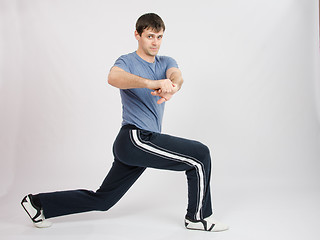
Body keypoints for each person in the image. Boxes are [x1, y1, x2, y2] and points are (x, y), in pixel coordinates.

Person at [21, 13, 229, 232]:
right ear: (137, 35)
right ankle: (197, 218)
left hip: (135, 146)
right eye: (150, 36)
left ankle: (37, 204)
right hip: (135, 138)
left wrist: (172, 87)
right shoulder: (127, 61)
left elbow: (177, 76)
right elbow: (113, 77)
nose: (155, 42)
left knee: (102, 200)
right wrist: (151, 83)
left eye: (159, 37)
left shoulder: (166, 62)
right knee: (199, 155)